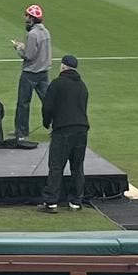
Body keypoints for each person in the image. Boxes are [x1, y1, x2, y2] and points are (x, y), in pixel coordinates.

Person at [40, 53, 90, 212]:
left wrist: (47, 122)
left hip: (63, 130)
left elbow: (47, 107)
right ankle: (76, 200)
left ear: (62, 66)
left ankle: (51, 202)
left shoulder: (57, 84)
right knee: (77, 166)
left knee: (56, 165)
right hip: (81, 129)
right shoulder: (82, 85)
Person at [14, 4, 52, 140]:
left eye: (27, 16)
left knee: (23, 103)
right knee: (49, 101)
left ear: (31, 18)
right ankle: (56, 127)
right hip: (44, 72)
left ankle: (21, 131)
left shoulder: (32, 34)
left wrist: (19, 48)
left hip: (30, 73)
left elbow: (29, 55)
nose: (25, 18)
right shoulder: (46, 32)